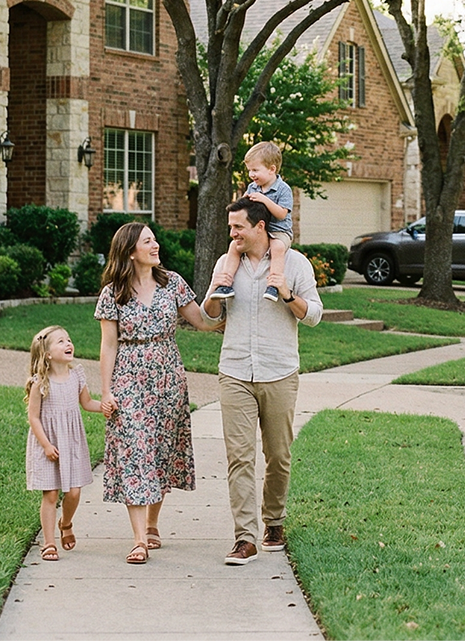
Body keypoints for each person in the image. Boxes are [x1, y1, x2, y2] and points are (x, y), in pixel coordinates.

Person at [199, 198, 322, 565]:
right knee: (239, 457)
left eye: (238, 227)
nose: (232, 234)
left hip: (279, 371)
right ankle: (245, 538)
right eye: (230, 227)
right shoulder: (227, 262)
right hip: (235, 370)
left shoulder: (294, 263)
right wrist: (215, 294)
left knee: (278, 456)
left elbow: (314, 315)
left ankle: (274, 520)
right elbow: (209, 315)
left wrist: (285, 292)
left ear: (259, 227)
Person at [95, 221, 224, 564]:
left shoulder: (173, 284)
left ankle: (152, 523)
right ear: (130, 252)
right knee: (136, 451)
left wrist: (223, 296)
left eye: (154, 240)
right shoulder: (113, 293)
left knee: (160, 453)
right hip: (129, 379)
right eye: (147, 242)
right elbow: (108, 346)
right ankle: (138, 539)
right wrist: (105, 390)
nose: (155, 246)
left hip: (169, 380)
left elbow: (205, 322)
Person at [25, 325, 102, 561]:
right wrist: (46, 445)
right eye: (61, 342)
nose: (68, 344)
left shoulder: (77, 376)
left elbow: (87, 403)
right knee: (50, 494)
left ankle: (66, 523)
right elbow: (33, 417)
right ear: (47, 353)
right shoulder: (40, 382)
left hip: (72, 443)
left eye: (68, 340)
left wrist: (106, 407)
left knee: (74, 493)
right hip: (48, 444)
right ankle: (49, 543)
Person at [212, 141, 293, 304]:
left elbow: (282, 214)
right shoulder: (253, 187)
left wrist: (264, 200)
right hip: (258, 232)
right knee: (233, 247)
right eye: (250, 170)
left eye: (255, 170)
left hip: (278, 232)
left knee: (277, 248)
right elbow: (244, 205)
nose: (251, 174)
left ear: (272, 169)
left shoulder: (283, 189)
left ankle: (274, 285)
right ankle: (226, 284)